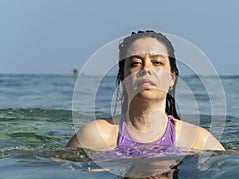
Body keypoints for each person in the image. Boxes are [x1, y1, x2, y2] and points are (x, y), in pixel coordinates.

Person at [67, 30, 225, 151]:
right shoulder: (96, 136)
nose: (146, 69)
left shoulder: (198, 141)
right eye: (135, 63)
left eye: (157, 62)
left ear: (172, 77)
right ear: (123, 77)